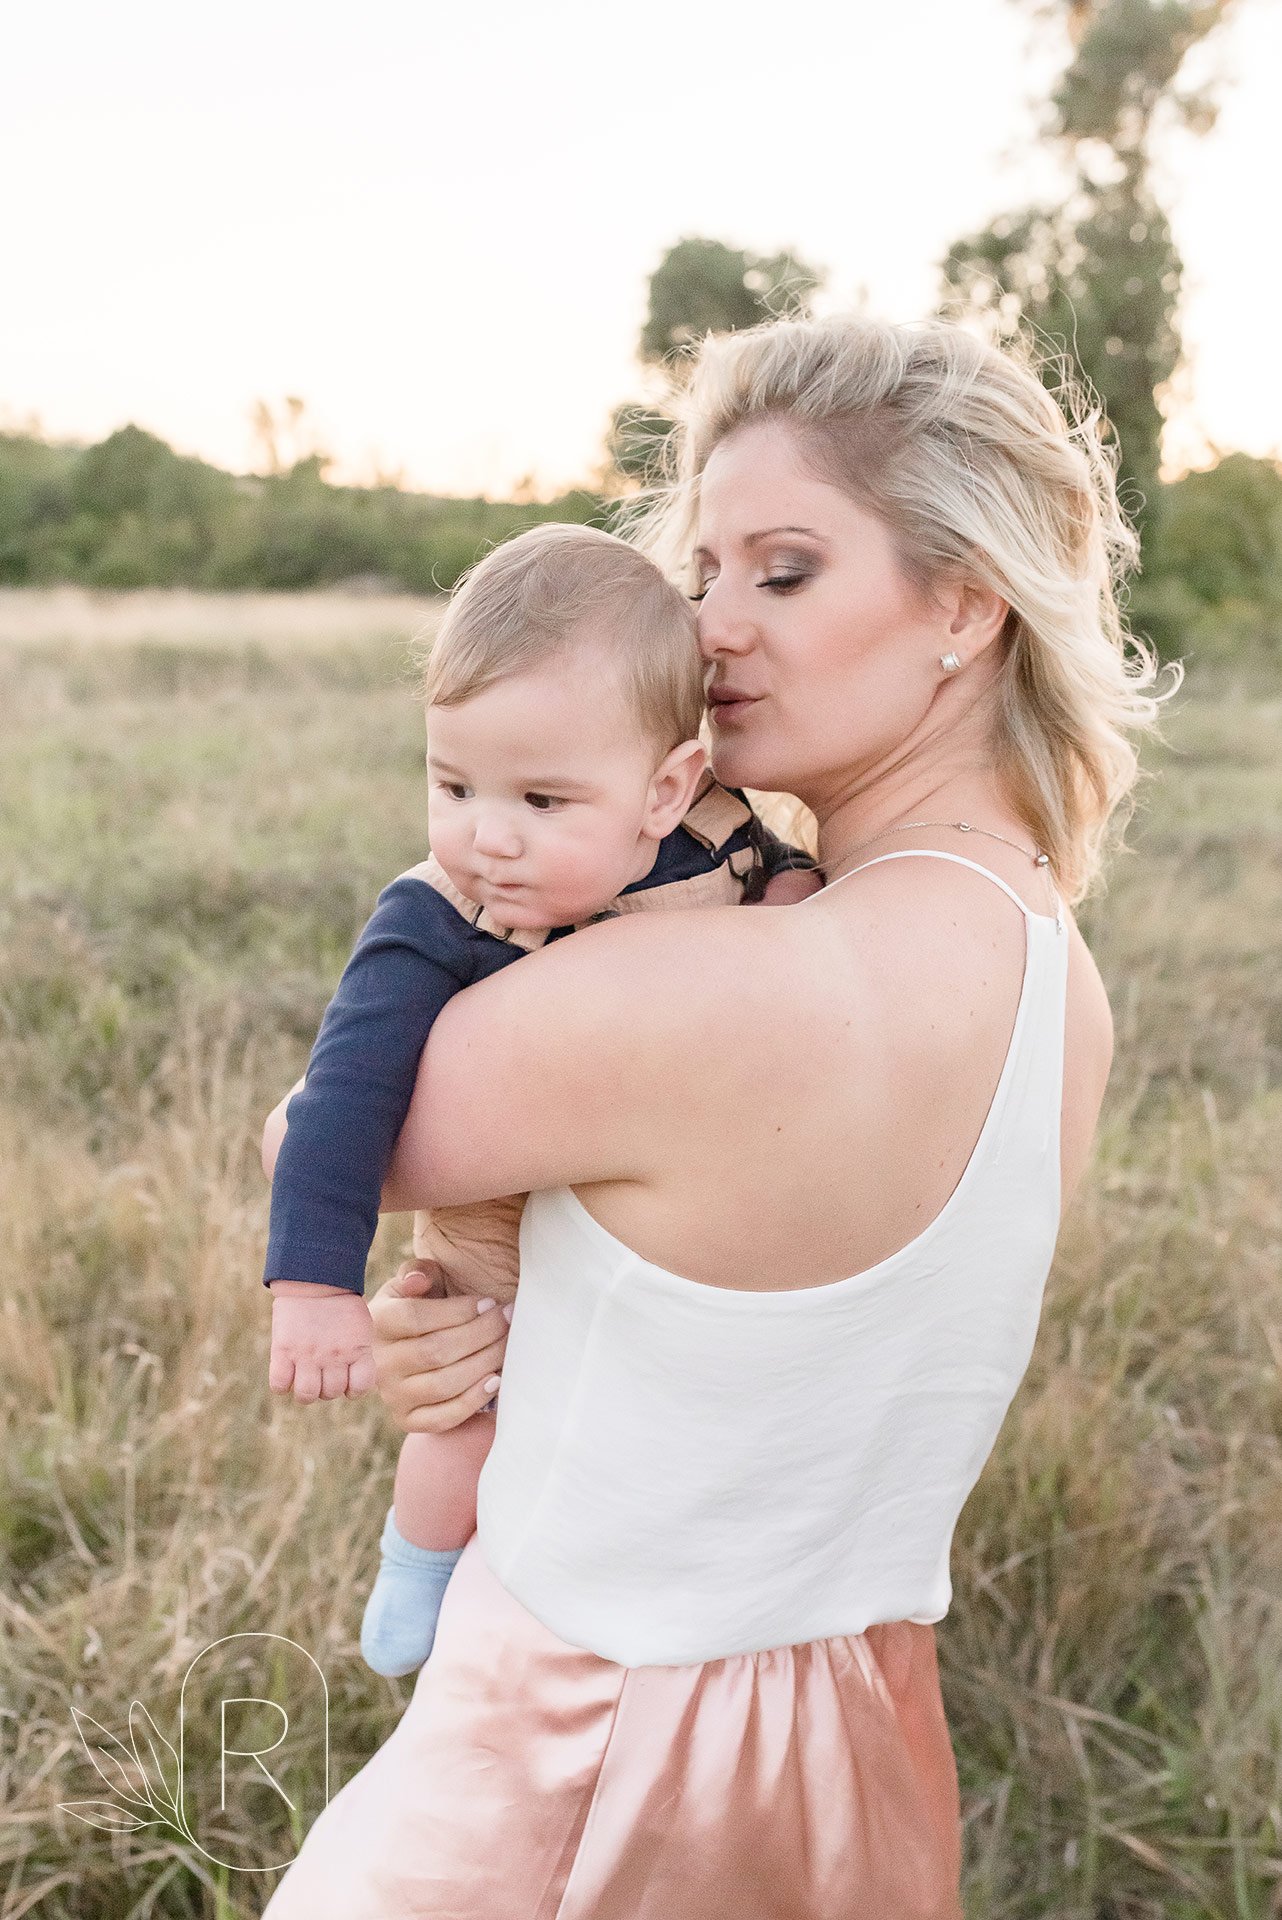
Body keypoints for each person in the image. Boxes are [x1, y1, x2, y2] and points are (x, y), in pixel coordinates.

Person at [261, 313, 1165, 1920]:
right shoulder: (1057, 983)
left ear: (964, 602)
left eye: (785, 570)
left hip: (587, 1759)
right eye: (701, 568)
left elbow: (314, 1136)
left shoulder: (732, 983)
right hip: (852, 1761)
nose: (714, 625)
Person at [261, 522, 815, 1678]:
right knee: (466, 1417)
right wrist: (314, 1286)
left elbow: (778, 877)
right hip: (491, 1250)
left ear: (664, 788)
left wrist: (798, 903)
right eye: (453, 784)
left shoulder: (712, 838)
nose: (487, 835)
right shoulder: (432, 919)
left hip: (649, 1235)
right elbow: (342, 1099)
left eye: (542, 800)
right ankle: (416, 1564)